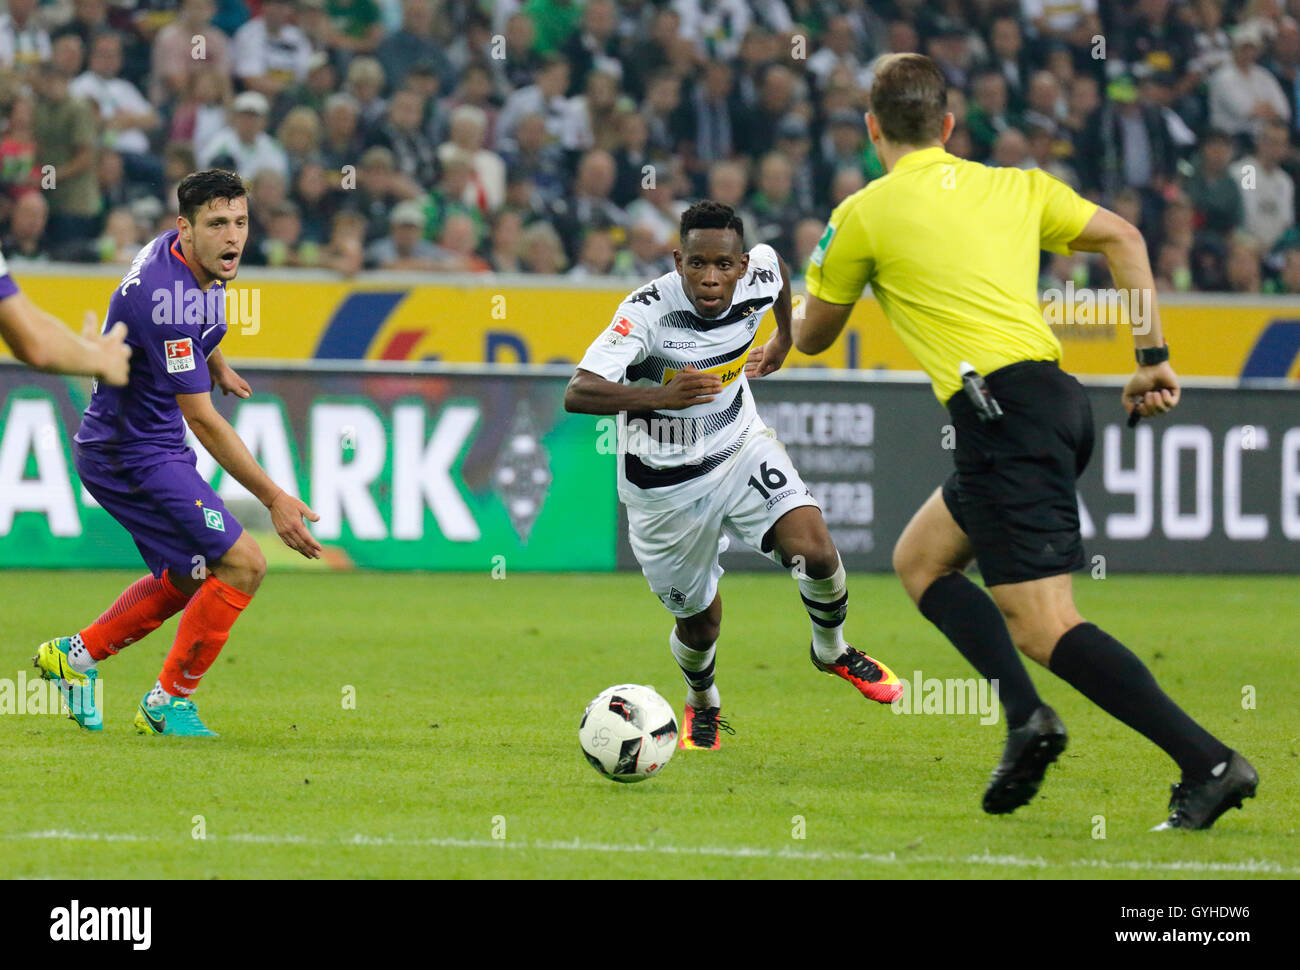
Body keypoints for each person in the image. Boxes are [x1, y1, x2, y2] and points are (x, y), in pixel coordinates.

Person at [795, 53, 1257, 831]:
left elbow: (813, 336)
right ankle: (1024, 719)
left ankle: (1209, 762)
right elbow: (1127, 239)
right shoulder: (1016, 183)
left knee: (1044, 624)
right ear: (948, 126)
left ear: (871, 128)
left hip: (1001, 414)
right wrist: (1150, 359)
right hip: (1051, 402)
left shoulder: (862, 213)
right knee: (922, 559)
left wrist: (803, 288)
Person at [564, 200, 903, 750]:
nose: (711, 278)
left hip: (738, 445)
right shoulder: (646, 312)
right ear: (678, 260)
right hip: (663, 488)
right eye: (697, 263)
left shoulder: (762, 271)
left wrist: (784, 339)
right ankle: (702, 698)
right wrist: (660, 395)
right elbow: (577, 392)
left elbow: (783, 277)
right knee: (701, 626)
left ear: (742, 265)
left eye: (724, 264)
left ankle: (832, 649)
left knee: (815, 550)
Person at [32, 169, 322, 737]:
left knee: (189, 573)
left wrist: (213, 360)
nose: (233, 237)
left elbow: (190, 327)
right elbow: (204, 420)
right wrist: (274, 499)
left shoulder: (186, 257)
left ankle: (73, 658)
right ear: (185, 229)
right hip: (128, 453)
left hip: (149, 443)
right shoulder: (165, 300)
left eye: (240, 222)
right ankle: (165, 705)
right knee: (244, 563)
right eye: (218, 225)